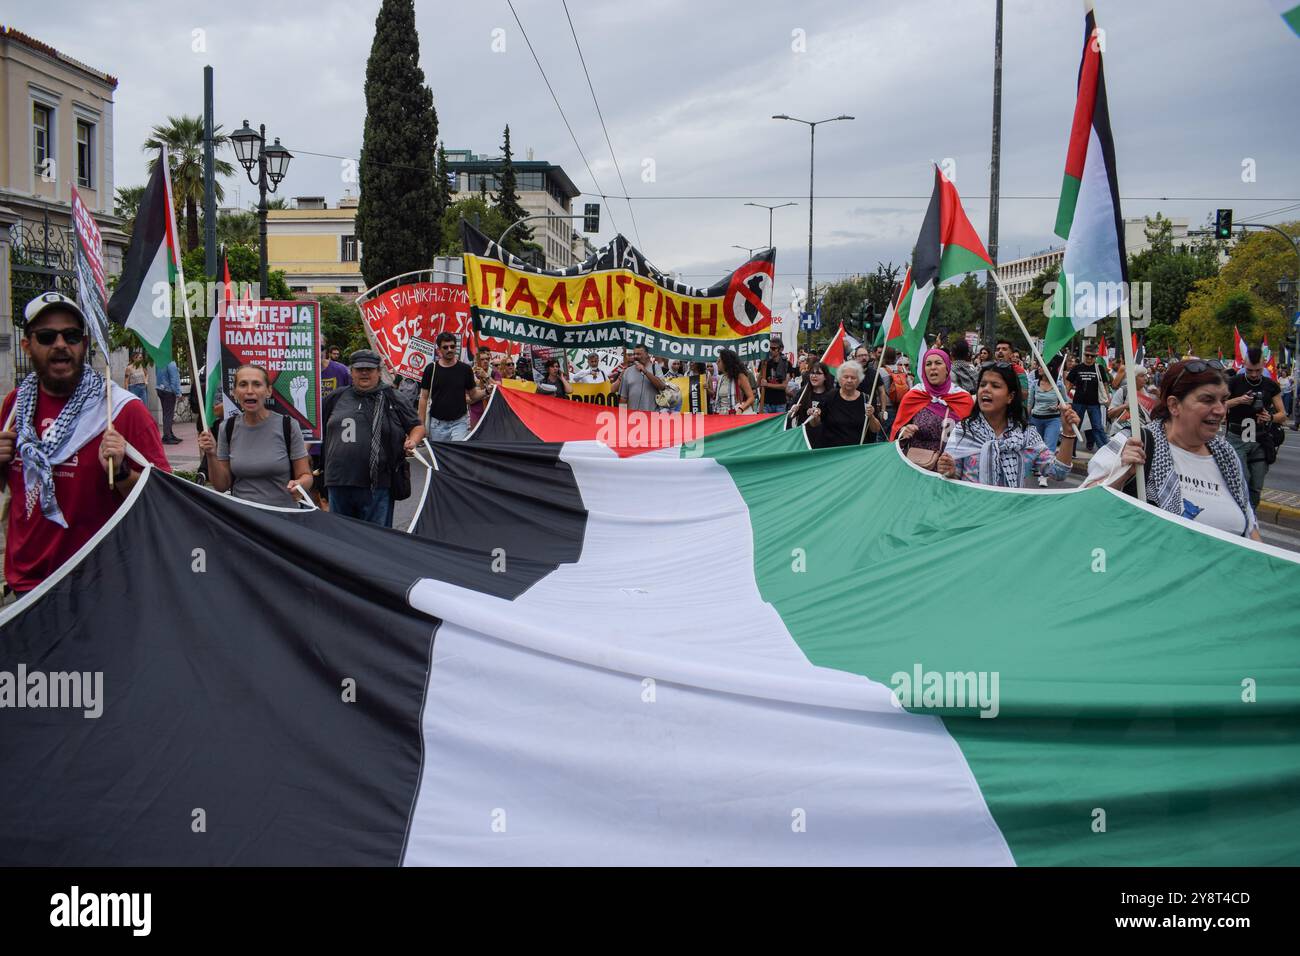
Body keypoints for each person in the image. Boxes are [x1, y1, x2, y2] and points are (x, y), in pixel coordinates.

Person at [0, 292, 171, 596]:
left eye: (72, 335)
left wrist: (120, 473)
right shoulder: (15, 407)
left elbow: (166, 502)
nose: (61, 345)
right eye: (47, 336)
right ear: (27, 345)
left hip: (100, 592)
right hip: (26, 590)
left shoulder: (121, 410)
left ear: (85, 343)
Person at [1087, 360, 1260, 539]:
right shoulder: (1135, 442)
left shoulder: (1227, 455)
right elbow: (1085, 506)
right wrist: (1120, 472)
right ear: (1174, 405)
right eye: (1207, 400)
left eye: (1223, 400)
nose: (1220, 410)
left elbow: (1249, 526)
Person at [320, 349, 424, 526]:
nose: (364, 373)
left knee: (376, 541)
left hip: (378, 484)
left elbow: (417, 426)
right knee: (341, 540)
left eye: (369, 369)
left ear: (378, 371)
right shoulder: (335, 398)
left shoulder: (393, 397)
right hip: (338, 481)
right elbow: (317, 432)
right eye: (359, 369)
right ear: (351, 371)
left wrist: (412, 441)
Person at [937, 362, 1080, 487]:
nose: (986, 389)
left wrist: (1068, 433)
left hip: (1012, 514)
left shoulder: (1026, 435)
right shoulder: (963, 430)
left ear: (1010, 397)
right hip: (972, 513)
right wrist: (948, 471)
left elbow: (1059, 472)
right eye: (982, 385)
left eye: (995, 386)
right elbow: (953, 477)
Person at [196, 364, 312, 508]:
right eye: (243, 385)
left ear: (268, 391)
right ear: (234, 392)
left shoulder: (288, 425)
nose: (250, 391)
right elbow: (221, 486)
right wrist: (211, 454)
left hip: (284, 520)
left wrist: (300, 485)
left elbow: (306, 476)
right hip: (244, 521)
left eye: (257, 384)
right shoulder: (227, 428)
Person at [1225, 346, 1287, 509]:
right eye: (1250, 370)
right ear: (1243, 365)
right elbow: (1217, 405)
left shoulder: (1271, 385)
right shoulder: (1234, 382)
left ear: (1264, 365)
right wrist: (1238, 400)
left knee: (1256, 485)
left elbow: (1283, 415)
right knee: (1241, 480)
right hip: (1236, 438)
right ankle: (1241, 516)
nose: (1254, 374)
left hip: (1260, 439)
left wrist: (1271, 417)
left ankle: (1251, 518)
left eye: (1258, 370)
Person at [890, 348, 974, 468]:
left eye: (938, 363)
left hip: (951, 468)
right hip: (917, 466)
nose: (933, 367)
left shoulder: (963, 398)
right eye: (928, 364)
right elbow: (896, 433)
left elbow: (971, 439)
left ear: (947, 369)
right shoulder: (914, 395)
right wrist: (904, 431)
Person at [418, 331, 483, 442]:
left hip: (460, 423)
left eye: (452, 346)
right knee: (441, 458)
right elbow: (423, 398)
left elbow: (473, 395)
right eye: (445, 347)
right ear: (439, 350)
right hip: (437, 425)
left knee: (457, 456)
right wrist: (421, 426)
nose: (450, 350)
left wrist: (488, 390)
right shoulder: (430, 369)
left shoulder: (465, 369)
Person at [805, 361, 881, 448]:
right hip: (832, 452)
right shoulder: (830, 397)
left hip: (857, 452)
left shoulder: (866, 399)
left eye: (853, 378)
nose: (849, 380)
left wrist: (871, 416)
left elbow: (876, 429)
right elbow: (814, 424)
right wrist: (814, 416)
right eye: (846, 377)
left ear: (859, 380)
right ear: (840, 379)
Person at [1066, 346, 1110, 451]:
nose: (1089, 358)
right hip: (1078, 402)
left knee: (1098, 427)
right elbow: (1069, 383)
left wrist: (1108, 399)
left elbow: (1105, 385)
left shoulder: (1099, 368)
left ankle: (1105, 451)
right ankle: (1069, 451)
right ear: (1084, 355)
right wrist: (1065, 397)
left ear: (1096, 357)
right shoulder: (1077, 368)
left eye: (1092, 356)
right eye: (1087, 355)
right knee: (1075, 427)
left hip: (1094, 403)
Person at [1106, 366, 1156, 435]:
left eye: (1146, 375)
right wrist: (1125, 406)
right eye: (1142, 376)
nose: (1145, 379)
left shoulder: (1148, 394)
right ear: (1134, 378)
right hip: (1121, 433)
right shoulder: (1123, 391)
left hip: (1142, 434)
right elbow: (1110, 414)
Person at [617, 346, 669, 412]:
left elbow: (662, 386)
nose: (635, 356)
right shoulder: (627, 371)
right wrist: (622, 416)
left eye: (638, 354)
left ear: (647, 355)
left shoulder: (655, 368)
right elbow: (623, 398)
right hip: (633, 417)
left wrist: (645, 372)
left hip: (652, 416)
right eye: (634, 354)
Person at [787, 361, 834, 427]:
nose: (814, 376)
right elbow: (789, 415)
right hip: (803, 434)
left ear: (825, 377)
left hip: (823, 435)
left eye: (818, 373)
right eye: (812, 373)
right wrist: (792, 411)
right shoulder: (803, 392)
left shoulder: (831, 395)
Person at [712, 348, 756, 414]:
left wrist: (741, 409)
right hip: (721, 415)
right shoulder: (721, 378)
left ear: (726, 362)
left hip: (736, 415)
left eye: (719, 361)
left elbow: (751, 398)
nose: (716, 363)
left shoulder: (740, 377)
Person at [468, 347, 500, 427]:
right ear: (476, 361)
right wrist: (484, 393)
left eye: (487, 359)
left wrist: (486, 376)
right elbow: (467, 399)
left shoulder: (494, 373)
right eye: (482, 359)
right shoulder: (469, 374)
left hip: (492, 413)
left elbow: (499, 389)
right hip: (476, 414)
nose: (485, 361)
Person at [758, 340, 791, 414]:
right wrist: (762, 367)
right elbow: (758, 383)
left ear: (781, 349)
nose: (771, 350)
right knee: (764, 425)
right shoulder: (764, 362)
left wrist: (767, 385)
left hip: (780, 404)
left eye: (773, 348)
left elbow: (784, 385)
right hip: (765, 402)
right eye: (769, 348)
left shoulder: (787, 364)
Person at [155, 359, 182, 445]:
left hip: (160, 389)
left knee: (166, 413)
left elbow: (157, 375)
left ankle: (169, 433)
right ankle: (168, 436)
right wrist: (178, 393)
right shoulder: (171, 363)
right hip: (169, 391)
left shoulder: (159, 362)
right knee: (168, 414)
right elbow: (174, 380)